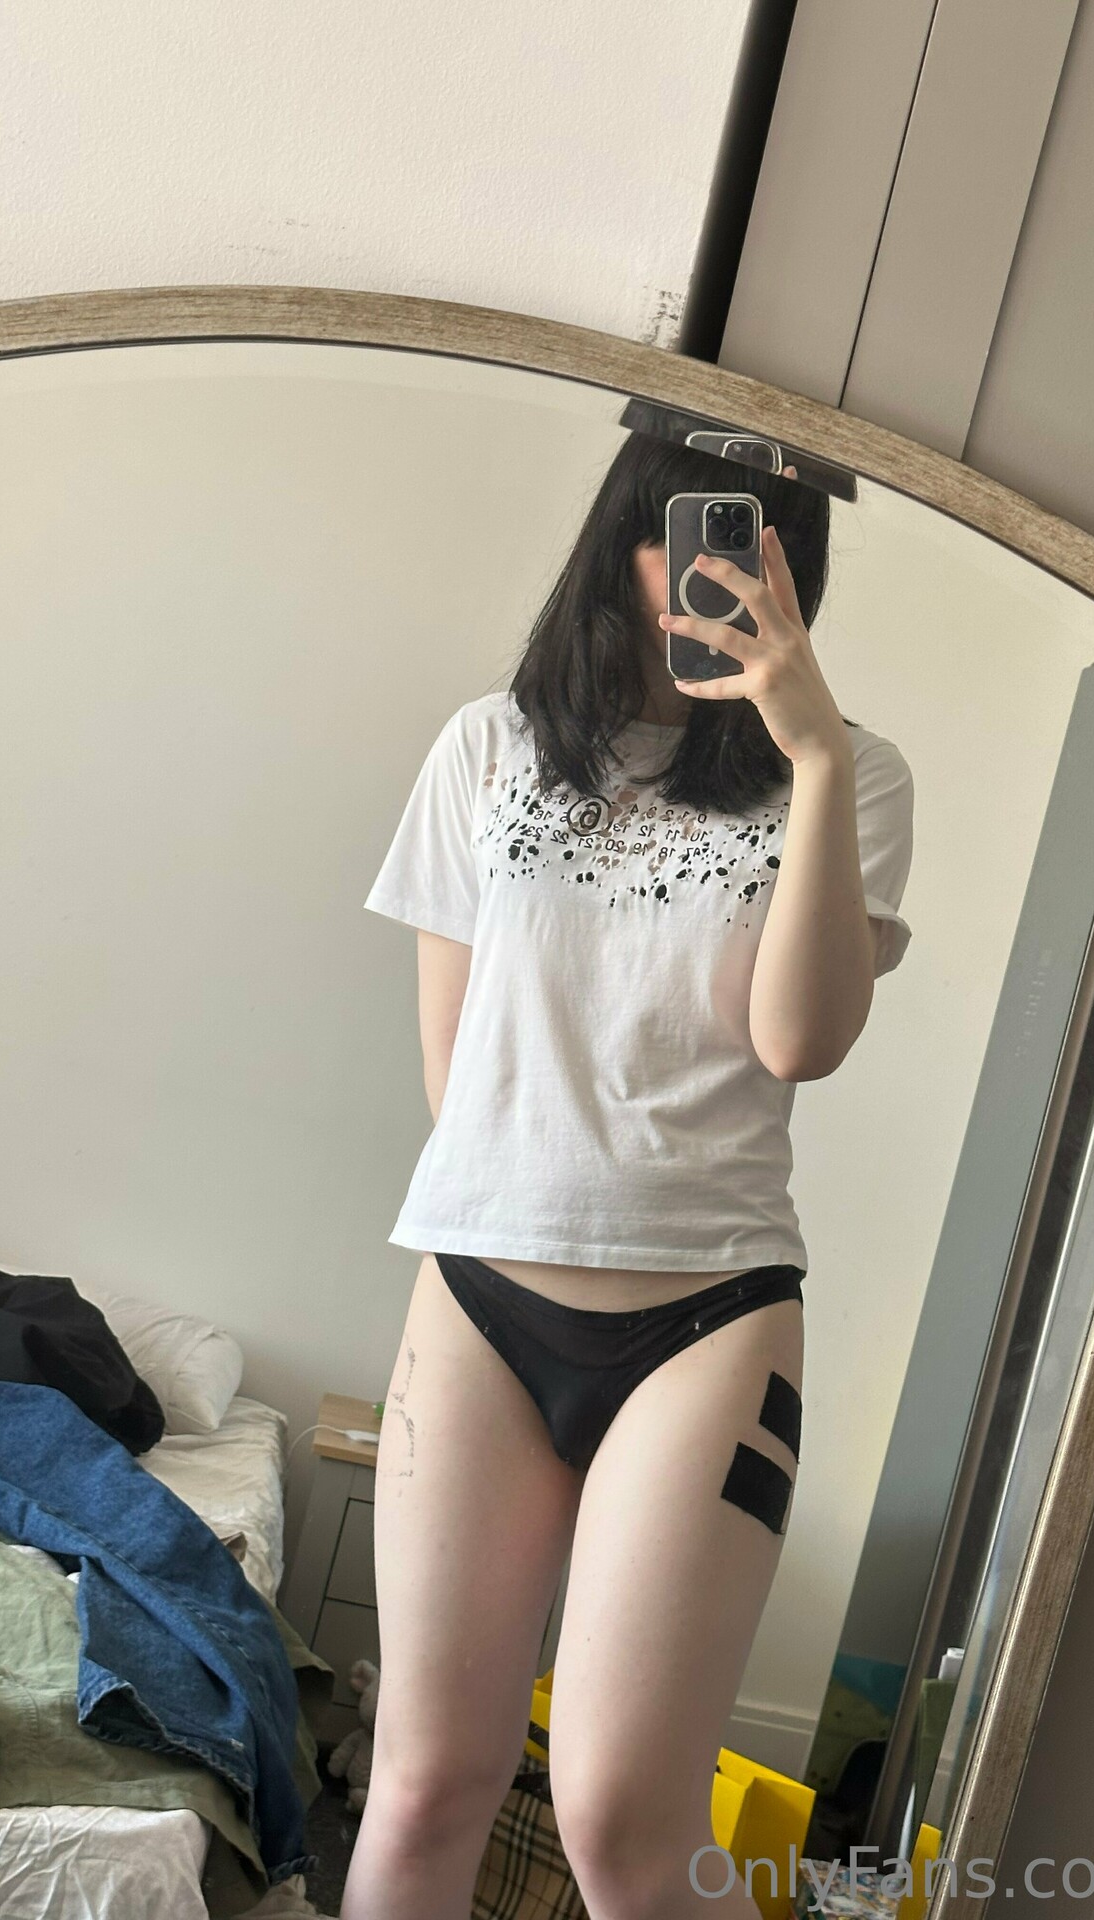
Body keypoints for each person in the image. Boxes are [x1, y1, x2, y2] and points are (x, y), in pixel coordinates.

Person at [341, 433, 914, 1920]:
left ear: (797, 568)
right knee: (421, 1785)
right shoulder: (488, 745)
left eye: (755, 544)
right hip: (480, 1292)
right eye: (688, 532)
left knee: (623, 1825)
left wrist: (815, 752)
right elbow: (457, 1074)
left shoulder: (853, 776)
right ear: (621, 537)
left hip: (709, 1317)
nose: (713, 572)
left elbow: (800, 1042)